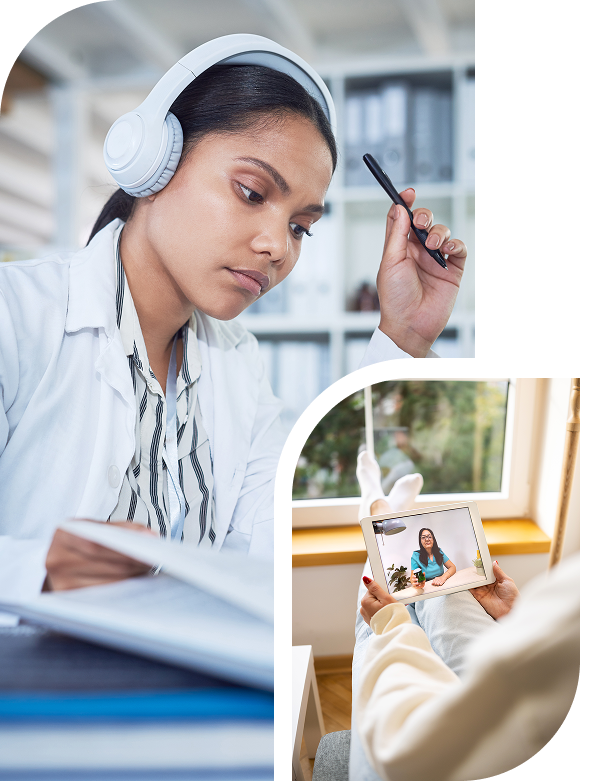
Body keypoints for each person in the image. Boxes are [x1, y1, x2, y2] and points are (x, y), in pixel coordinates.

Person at [0, 33, 467, 600]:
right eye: (251, 192)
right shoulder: (16, 317)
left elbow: (276, 534)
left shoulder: (236, 365)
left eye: (300, 227)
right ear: (156, 163)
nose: (278, 246)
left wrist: (403, 337)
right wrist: (37, 568)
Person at [350, 450, 579, 781]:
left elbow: (408, 752)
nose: (428, 540)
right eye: (424, 536)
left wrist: (391, 623)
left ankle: (378, 507)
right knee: (449, 591)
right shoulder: (416, 554)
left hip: (421, 754)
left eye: (430, 537)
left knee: (383, 590)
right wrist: (515, 617)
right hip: (551, 746)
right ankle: (386, 509)